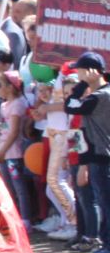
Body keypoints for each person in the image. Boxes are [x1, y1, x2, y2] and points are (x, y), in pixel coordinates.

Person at [63, 52, 110, 253]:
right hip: (98, 156)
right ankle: (105, 244)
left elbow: (70, 106)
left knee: (105, 203)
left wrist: (82, 85)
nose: (78, 74)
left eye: (81, 70)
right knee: (104, 202)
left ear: (92, 71)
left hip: (102, 156)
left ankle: (107, 246)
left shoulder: (100, 96)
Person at [33, 76, 78, 241]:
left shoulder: (65, 75)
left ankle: (75, 223)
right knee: (51, 188)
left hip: (65, 139)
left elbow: (69, 107)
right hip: (56, 138)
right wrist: (43, 111)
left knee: (58, 183)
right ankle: (67, 221)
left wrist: (48, 107)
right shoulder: (57, 78)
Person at [0, 70, 36, 223]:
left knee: (20, 188)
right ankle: (13, 217)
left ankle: (26, 219)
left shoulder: (17, 104)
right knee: (8, 188)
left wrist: (2, 150)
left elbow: (14, 130)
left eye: (1, 85)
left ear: (10, 87)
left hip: (14, 152)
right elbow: (1, 127)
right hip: (3, 151)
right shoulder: (4, 105)